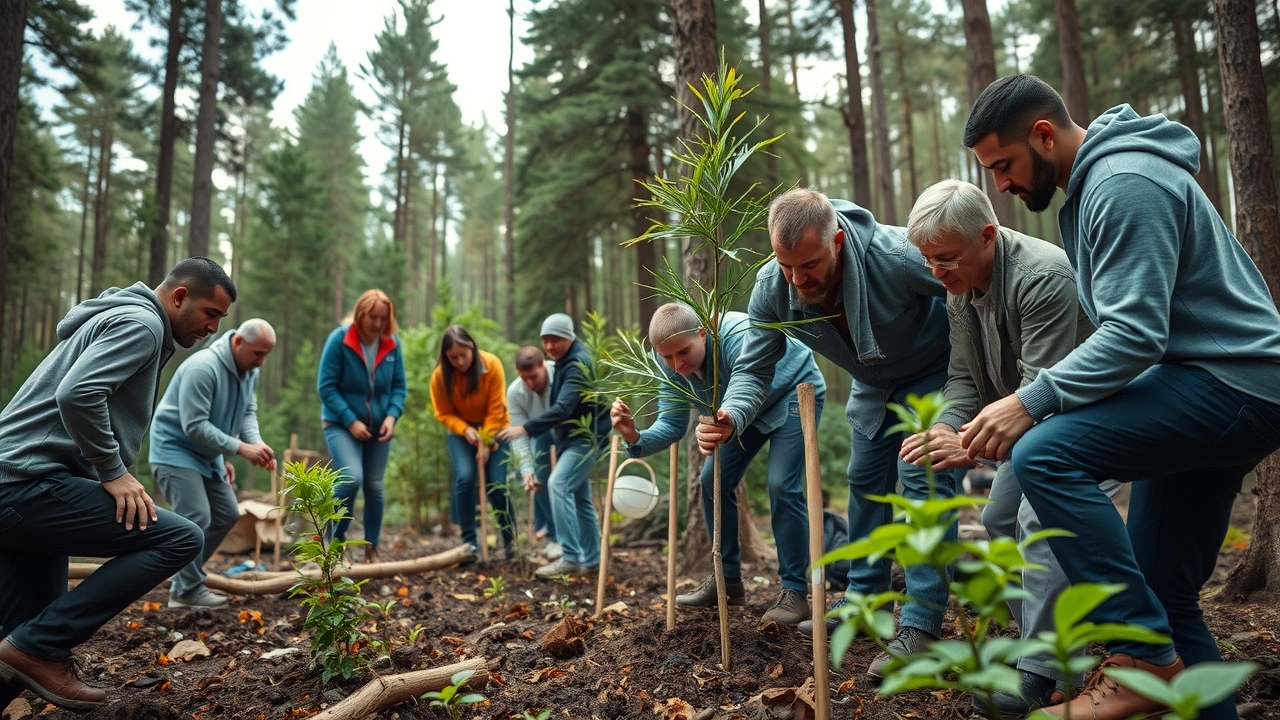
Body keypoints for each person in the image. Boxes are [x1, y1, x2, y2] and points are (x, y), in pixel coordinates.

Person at [961, 74, 1280, 720]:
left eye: (1004, 165)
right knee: (1165, 588)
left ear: (1044, 135)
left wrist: (1033, 400)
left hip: (1232, 382)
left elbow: (1135, 333)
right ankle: (1161, 663)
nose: (1001, 187)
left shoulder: (1122, 183)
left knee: (1043, 454)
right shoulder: (1095, 189)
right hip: (1215, 383)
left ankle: (1138, 659)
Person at [696, 188, 962, 679]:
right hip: (873, 381)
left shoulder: (897, 255)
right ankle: (866, 600)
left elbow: (967, 288)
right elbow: (754, 369)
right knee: (864, 479)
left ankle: (923, 625)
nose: (798, 279)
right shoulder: (771, 288)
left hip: (935, 373)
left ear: (838, 241)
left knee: (921, 472)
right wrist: (731, 414)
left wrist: (976, 377)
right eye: (786, 266)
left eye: (810, 265)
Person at [896, 179, 1115, 717]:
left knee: (1039, 521)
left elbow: (1044, 391)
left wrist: (970, 446)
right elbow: (962, 379)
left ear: (988, 236)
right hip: (1039, 428)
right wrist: (946, 428)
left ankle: (1047, 670)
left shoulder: (1043, 276)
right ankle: (1043, 647)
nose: (936, 272)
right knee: (998, 520)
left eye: (944, 258)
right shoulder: (957, 287)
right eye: (926, 260)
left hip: (1092, 418)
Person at [0, 257, 235, 710]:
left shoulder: (123, 315)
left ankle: (32, 652)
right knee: (181, 537)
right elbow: (78, 392)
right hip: (25, 483)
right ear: (180, 296)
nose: (213, 328)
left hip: (21, 487)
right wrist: (113, 472)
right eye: (211, 313)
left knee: (25, 647)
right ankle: (34, 650)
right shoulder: (144, 324)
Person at [610, 302, 824, 625]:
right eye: (667, 357)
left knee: (782, 484)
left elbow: (750, 383)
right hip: (735, 416)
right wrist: (633, 435)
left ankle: (794, 591)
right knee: (712, 481)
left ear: (702, 333)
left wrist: (728, 417)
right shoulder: (669, 362)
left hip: (792, 393)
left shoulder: (738, 335)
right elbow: (671, 424)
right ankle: (727, 583)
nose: (677, 364)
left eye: (683, 352)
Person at [149, 318, 278, 609]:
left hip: (208, 455)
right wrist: (240, 448)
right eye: (258, 353)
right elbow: (193, 426)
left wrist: (255, 443)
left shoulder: (249, 372)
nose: (261, 361)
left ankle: (185, 578)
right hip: (175, 451)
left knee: (226, 513)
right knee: (197, 516)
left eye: (266, 355)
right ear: (237, 342)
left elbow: (248, 412)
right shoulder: (203, 367)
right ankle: (186, 590)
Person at [497, 314, 611, 579]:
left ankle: (570, 556)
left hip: (586, 437)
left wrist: (525, 428)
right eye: (545, 340)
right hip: (571, 438)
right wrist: (526, 468)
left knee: (557, 484)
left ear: (569, 336)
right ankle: (592, 560)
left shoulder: (575, 365)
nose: (550, 345)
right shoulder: (563, 363)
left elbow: (563, 408)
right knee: (580, 497)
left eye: (555, 339)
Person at [317, 289, 406, 565]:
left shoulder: (391, 344)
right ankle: (334, 546)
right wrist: (350, 420)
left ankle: (372, 548)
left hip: (379, 427)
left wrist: (392, 416)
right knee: (351, 478)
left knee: (375, 486)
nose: (378, 324)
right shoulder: (340, 340)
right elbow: (326, 387)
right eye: (373, 318)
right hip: (341, 423)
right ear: (360, 314)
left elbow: (399, 387)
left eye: (383, 318)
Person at [430, 325, 516, 558]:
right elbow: (443, 412)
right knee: (465, 478)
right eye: (453, 357)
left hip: (495, 428)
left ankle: (510, 541)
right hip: (461, 432)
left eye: (463, 355)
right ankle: (470, 544)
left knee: (496, 482)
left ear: (472, 348)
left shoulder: (492, 365)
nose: (459, 361)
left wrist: (486, 441)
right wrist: (465, 430)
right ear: (446, 357)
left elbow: (496, 407)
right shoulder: (440, 377)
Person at [507, 346, 560, 559]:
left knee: (560, 482)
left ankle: (566, 537)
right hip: (541, 437)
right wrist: (526, 470)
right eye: (524, 378)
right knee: (540, 477)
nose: (529, 384)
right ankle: (554, 536)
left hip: (568, 433)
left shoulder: (561, 374)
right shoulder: (515, 393)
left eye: (534, 377)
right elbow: (518, 435)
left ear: (543, 364)